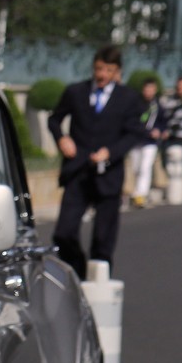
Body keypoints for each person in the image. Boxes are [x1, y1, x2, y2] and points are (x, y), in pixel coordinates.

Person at [47, 46, 148, 279]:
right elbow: (54, 119)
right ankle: (79, 273)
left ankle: (99, 285)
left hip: (108, 176)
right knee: (63, 233)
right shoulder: (75, 92)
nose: (102, 74)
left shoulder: (128, 98)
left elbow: (134, 134)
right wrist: (62, 138)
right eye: (99, 68)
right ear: (94, 67)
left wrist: (110, 152)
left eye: (109, 70)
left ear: (117, 72)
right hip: (77, 172)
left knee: (103, 239)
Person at [129, 78, 170, 208]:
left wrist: (161, 131)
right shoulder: (136, 104)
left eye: (152, 89)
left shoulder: (158, 106)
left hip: (150, 142)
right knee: (136, 168)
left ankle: (141, 195)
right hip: (137, 140)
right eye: (147, 89)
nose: (149, 92)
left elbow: (164, 121)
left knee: (145, 168)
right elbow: (133, 122)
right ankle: (137, 192)